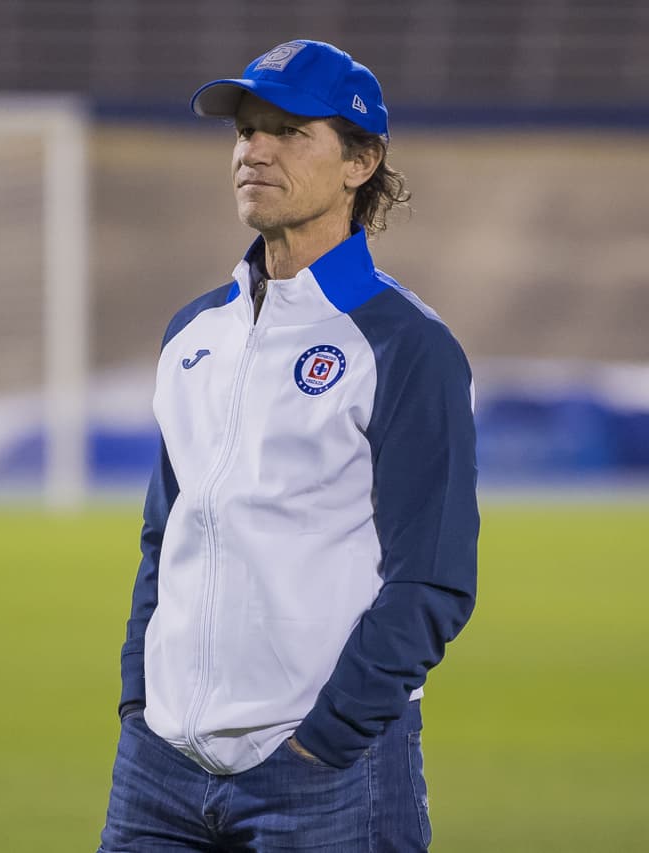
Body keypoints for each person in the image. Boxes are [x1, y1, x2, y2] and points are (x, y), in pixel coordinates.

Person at [98, 40, 478, 852]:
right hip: (159, 771)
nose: (254, 150)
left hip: (322, 776)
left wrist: (326, 739)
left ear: (361, 160)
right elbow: (166, 538)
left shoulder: (407, 345)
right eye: (245, 131)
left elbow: (434, 579)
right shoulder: (193, 332)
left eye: (288, 130)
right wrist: (139, 702)